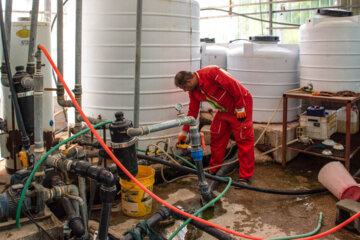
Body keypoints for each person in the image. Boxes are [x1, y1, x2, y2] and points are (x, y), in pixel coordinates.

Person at [174, 65, 254, 184]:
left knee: (244, 139)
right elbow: (193, 111)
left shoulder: (211, 73)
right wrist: (184, 132)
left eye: (185, 87)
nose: (185, 90)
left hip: (241, 104)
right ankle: (213, 170)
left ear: (189, 81)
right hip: (223, 109)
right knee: (217, 135)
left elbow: (233, 86)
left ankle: (245, 177)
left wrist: (240, 107)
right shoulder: (194, 91)